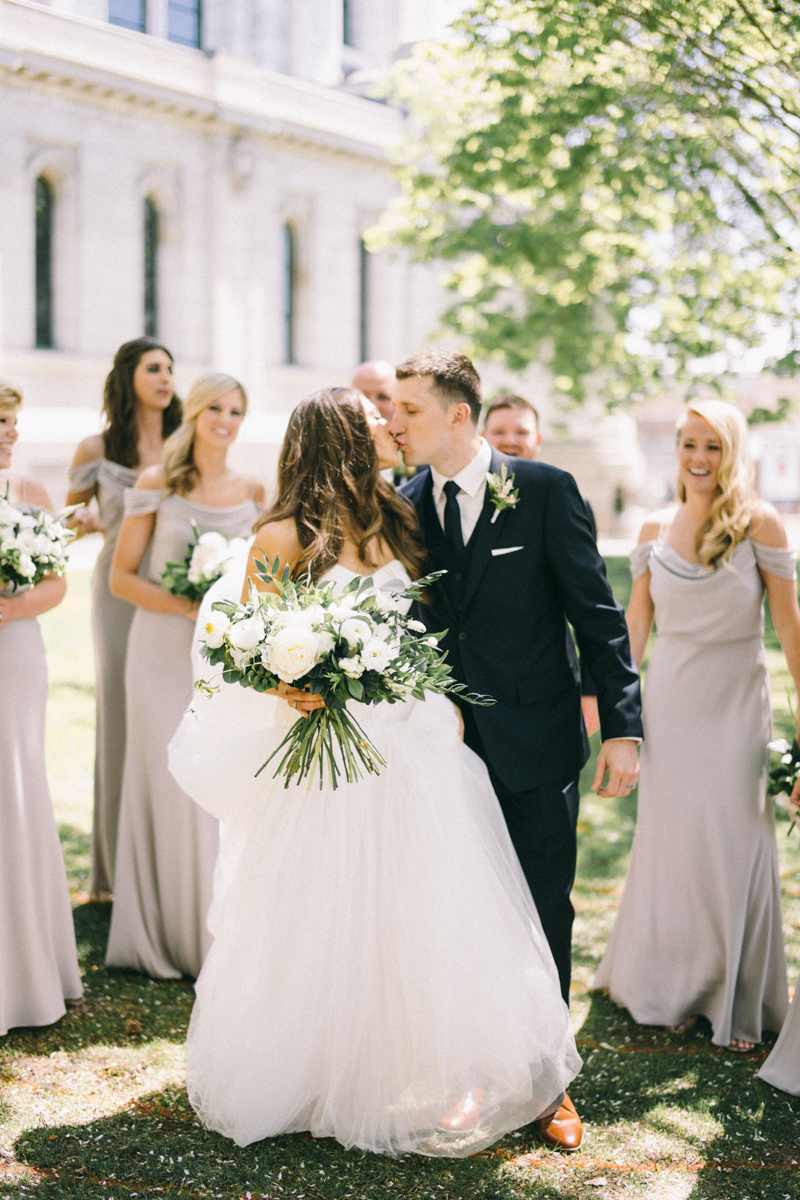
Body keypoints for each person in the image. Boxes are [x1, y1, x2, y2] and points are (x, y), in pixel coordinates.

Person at [167, 387, 581, 1156]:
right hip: (327, 751)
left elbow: (436, 618)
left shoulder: (400, 518)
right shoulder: (281, 536)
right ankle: (320, 1064)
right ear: (341, 440)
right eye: (374, 421)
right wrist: (286, 679)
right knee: (325, 907)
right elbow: (241, 643)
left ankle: (456, 1067)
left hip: (411, 740)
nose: (391, 426)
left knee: (429, 901)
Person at [391, 351, 643, 1151]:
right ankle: (473, 1074)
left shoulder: (543, 492)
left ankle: (548, 1082)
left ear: (457, 416)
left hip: (535, 740)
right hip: (442, 752)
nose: (394, 423)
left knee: (543, 910)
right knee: (462, 914)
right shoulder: (400, 503)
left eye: (410, 411)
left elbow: (596, 614)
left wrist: (626, 727)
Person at [593, 400, 800, 1052]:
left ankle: (730, 994)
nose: (699, 459)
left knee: (733, 847)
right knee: (675, 847)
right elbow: (634, 629)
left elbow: (790, 628)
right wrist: (617, 719)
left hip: (738, 711)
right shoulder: (653, 526)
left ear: (732, 452)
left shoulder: (760, 524)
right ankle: (675, 988)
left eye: (712, 446)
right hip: (672, 708)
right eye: (688, 444)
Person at [105, 374, 264, 980]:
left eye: (236, 411)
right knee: (167, 784)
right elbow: (122, 577)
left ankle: (221, 933)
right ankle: (164, 935)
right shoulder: (158, 484)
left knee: (219, 783)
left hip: (224, 660)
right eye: (216, 409)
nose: (225, 420)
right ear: (194, 415)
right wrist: (191, 606)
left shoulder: (254, 489)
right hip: (160, 652)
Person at [65, 338, 182, 902]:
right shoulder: (95, 447)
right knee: (118, 713)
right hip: (116, 590)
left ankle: (169, 862)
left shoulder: (186, 444)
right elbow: (63, 524)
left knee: (170, 713)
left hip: (175, 587)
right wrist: (84, 522)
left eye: (170, 370)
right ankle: (110, 874)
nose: (166, 378)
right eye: (153, 368)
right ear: (127, 376)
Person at [0, 381, 83, 1035]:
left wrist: (14, 606)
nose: (11, 432)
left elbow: (55, 581)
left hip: (16, 651)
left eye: (14, 421)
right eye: (1, 421)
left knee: (17, 784)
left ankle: (25, 968)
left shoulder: (28, 493)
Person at [483, 393, 600, 736]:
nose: (509, 440)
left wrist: (591, 691)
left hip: (543, 688)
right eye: (499, 431)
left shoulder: (568, 501)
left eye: (521, 432)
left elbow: (591, 602)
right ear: (482, 436)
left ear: (537, 440)